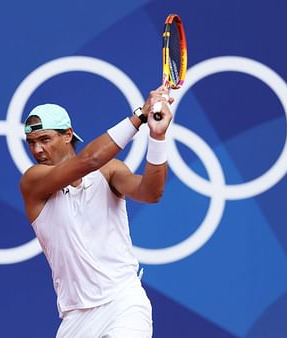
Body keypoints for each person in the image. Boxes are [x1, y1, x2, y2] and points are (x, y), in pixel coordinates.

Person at [20, 81, 173, 338]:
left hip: (124, 301)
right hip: (75, 317)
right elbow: (88, 160)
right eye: (31, 142)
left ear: (67, 135)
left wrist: (157, 137)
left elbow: (151, 192)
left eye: (45, 139)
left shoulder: (110, 171)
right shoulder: (33, 181)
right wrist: (139, 116)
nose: (37, 149)